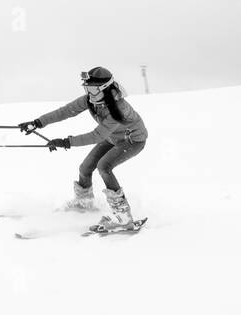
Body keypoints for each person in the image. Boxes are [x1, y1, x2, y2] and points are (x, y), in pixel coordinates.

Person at [17, 66, 148, 228]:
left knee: (104, 166)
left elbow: (96, 135)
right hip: (112, 137)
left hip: (132, 140)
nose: (88, 92)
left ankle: (123, 217)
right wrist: (37, 123)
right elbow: (65, 111)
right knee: (85, 168)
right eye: (86, 88)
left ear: (104, 89)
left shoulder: (119, 108)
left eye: (92, 89)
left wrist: (66, 142)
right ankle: (84, 203)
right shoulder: (91, 100)